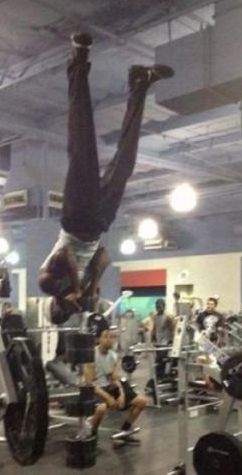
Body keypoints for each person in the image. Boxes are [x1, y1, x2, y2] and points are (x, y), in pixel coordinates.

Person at [38, 32, 174, 324]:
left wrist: (77, 286)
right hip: (100, 222)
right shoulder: (82, 290)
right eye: (72, 310)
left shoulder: (48, 283)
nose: (73, 306)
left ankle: (78, 60)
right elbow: (103, 256)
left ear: (56, 305)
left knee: (82, 146)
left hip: (76, 219)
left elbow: (67, 254)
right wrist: (92, 285)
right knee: (126, 162)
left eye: (67, 309)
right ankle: (139, 83)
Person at [84, 328, 147, 444]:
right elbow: (90, 383)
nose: (109, 339)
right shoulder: (91, 355)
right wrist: (108, 397)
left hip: (109, 386)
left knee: (141, 401)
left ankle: (124, 432)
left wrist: (121, 393)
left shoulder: (113, 355)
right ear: (99, 339)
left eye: (112, 337)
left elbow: (114, 377)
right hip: (96, 388)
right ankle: (93, 434)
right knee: (101, 408)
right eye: (106, 336)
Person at [150, 298, 175, 380]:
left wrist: (172, 340)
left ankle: (162, 376)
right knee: (159, 360)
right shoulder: (155, 316)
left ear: (164, 307)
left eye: (160, 306)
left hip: (165, 341)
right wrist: (152, 337)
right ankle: (159, 376)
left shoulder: (168, 317)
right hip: (158, 341)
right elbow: (155, 328)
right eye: (157, 307)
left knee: (161, 359)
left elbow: (172, 329)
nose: (158, 308)